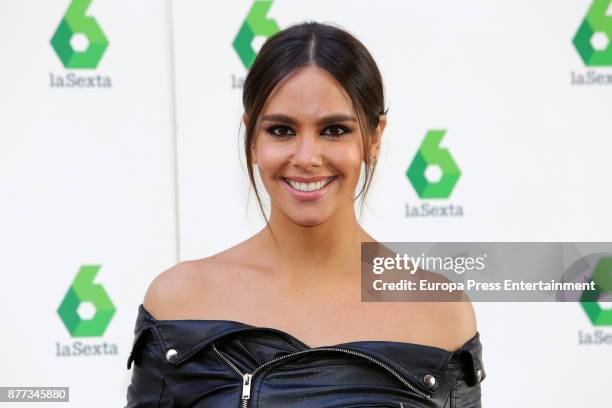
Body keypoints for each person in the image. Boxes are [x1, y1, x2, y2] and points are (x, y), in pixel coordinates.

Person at [125, 21, 485, 407]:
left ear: (374, 138)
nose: (307, 157)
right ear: (252, 138)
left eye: (333, 130)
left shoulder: (440, 313)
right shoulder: (178, 302)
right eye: (281, 131)